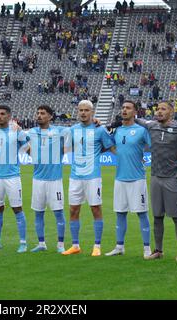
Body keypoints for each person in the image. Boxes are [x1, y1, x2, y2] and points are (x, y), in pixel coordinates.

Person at [134, 101, 177, 261]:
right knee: (157, 216)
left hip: (171, 179)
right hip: (155, 177)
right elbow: (135, 119)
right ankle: (158, 250)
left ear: (171, 112)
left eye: (163, 109)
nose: (159, 111)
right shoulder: (151, 125)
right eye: (158, 109)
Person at [62, 100, 115, 257]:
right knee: (73, 209)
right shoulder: (72, 130)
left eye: (86, 110)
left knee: (95, 209)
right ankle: (75, 245)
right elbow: (63, 147)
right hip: (75, 176)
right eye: (81, 110)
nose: (83, 113)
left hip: (93, 177)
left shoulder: (100, 130)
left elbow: (111, 147)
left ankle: (97, 246)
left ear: (92, 112)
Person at [105, 101, 152, 258]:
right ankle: (119, 247)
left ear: (135, 112)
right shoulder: (116, 130)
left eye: (128, 108)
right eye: (123, 107)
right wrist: (119, 153)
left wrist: (141, 158)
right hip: (120, 178)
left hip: (137, 179)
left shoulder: (141, 130)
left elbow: (154, 145)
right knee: (120, 213)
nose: (124, 110)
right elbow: (109, 145)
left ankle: (147, 249)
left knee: (142, 213)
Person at [0, 105, 29, 253]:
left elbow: (28, 148)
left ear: (9, 116)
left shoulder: (16, 131)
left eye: (2, 114)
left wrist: (21, 132)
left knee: (17, 209)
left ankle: (23, 242)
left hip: (12, 177)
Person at [28, 105, 67, 253]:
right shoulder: (32, 132)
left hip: (54, 180)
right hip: (38, 180)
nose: (39, 115)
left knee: (58, 213)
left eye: (43, 113)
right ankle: (41, 243)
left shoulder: (60, 132)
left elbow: (78, 129)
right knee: (38, 212)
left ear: (50, 116)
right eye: (37, 113)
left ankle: (60, 245)